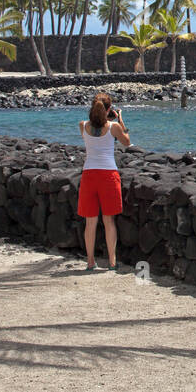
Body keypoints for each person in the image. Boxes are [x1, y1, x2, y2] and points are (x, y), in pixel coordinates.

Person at [77, 92, 130, 271]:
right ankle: (112, 261)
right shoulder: (114, 127)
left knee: (90, 222)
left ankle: (90, 261)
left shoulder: (83, 126)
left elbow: (95, 127)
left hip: (89, 174)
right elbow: (127, 142)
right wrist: (121, 119)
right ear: (109, 109)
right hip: (108, 175)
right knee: (109, 221)